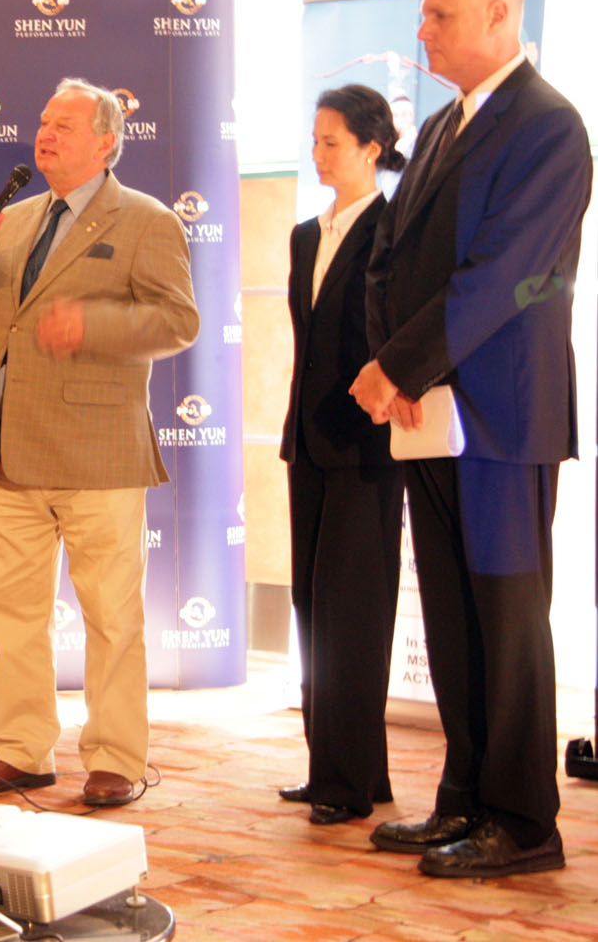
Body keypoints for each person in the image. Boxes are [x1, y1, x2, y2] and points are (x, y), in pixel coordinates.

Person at [349, 0, 591, 877]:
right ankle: (464, 799)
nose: (422, 32)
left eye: (439, 16)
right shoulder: (442, 123)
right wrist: (393, 366)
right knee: (452, 617)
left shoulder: (550, 125)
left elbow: (508, 277)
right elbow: (388, 254)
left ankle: (524, 823)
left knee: (507, 618)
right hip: (431, 408)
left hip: (504, 417)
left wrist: (397, 366)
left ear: (499, 15)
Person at [0, 79, 199, 807]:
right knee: (14, 616)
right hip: (12, 449)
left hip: (99, 453)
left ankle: (116, 757)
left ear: (106, 143)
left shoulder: (146, 220)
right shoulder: (16, 218)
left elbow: (178, 321)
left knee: (112, 618)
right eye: (43, 122)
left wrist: (94, 325)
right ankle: (21, 751)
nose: (46, 134)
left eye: (64, 125)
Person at [278, 85, 406, 825]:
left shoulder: (394, 229)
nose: (319, 153)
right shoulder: (305, 235)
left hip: (367, 446)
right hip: (308, 442)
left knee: (353, 613)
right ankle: (341, 766)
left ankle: (346, 783)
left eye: (332, 141)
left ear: (371, 147)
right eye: (315, 140)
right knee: (311, 607)